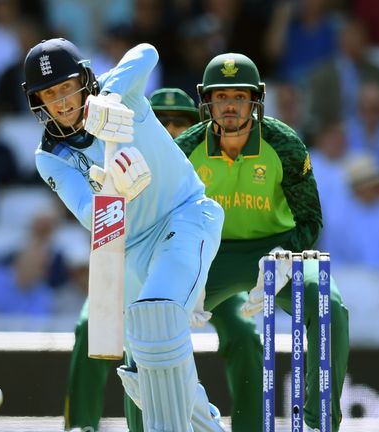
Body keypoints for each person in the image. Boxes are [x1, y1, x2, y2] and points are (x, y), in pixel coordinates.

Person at [22, 39, 225, 431]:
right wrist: (111, 188)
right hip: (128, 250)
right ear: (39, 103)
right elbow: (87, 214)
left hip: (184, 215)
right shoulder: (50, 155)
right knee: (142, 370)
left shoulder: (120, 90)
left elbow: (148, 51)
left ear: (84, 80)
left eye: (67, 87)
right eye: (50, 94)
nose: (62, 102)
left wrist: (111, 100)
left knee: (157, 315)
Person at [175, 53, 349, 432]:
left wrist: (288, 254)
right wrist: (186, 266)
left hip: (277, 250)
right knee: (150, 315)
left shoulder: (283, 144)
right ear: (207, 100)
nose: (232, 106)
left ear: (256, 99)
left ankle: (319, 424)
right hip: (211, 255)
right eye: (222, 97)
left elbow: (310, 218)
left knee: (329, 304)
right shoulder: (185, 149)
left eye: (240, 96)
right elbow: (167, 218)